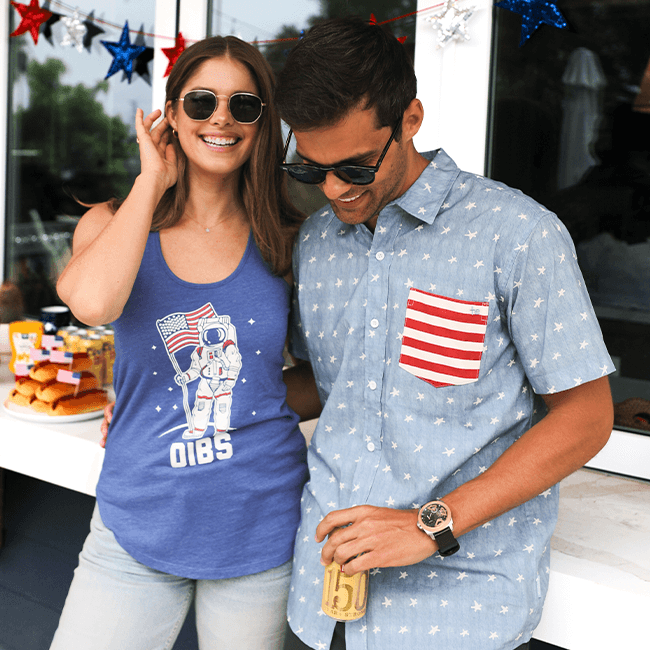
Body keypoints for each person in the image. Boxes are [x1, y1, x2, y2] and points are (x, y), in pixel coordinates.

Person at [274, 17, 614, 650]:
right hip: (318, 604)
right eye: (309, 170)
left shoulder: (517, 235)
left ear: (411, 118)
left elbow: (587, 418)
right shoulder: (318, 243)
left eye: (353, 167)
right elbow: (331, 388)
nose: (331, 190)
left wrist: (428, 526)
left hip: (455, 611)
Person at [51, 36, 311, 650]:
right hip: (137, 517)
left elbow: (324, 378)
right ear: (170, 114)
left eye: (243, 105)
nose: (221, 117)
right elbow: (92, 304)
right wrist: (151, 181)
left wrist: (239, 398)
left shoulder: (291, 240)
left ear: (262, 123)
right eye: (201, 101)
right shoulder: (113, 222)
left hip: (260, 525)